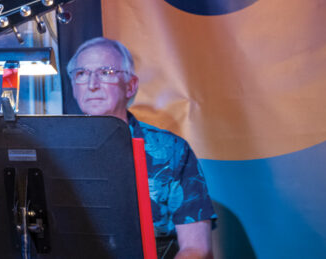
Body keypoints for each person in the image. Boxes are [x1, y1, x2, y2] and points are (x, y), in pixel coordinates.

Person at [67, 37, 216, 259]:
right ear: (73, 86)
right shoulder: (53, 148)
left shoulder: (172, 151)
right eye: (82, 74)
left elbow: (196, 249)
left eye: (106, 72)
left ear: (131, 86)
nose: (92, 84)